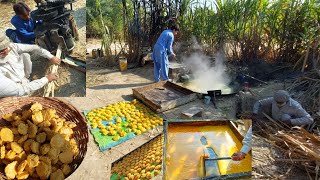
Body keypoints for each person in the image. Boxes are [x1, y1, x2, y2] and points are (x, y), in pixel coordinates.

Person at [0, 31, 60, 97]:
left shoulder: (12, 47)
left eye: (5, 48)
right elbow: (20, 91)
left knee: (25, 55)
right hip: (14, 91)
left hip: (23, 79)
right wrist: (46, 79)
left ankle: (27, 78)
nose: (6, 51)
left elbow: (35, 48)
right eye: (1, 51)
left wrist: (50, 56)